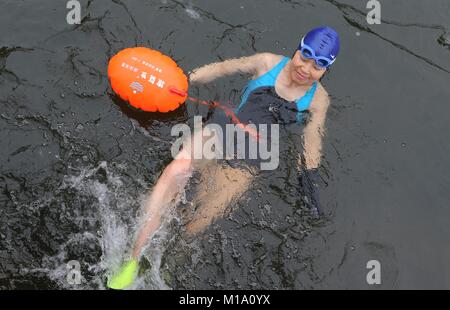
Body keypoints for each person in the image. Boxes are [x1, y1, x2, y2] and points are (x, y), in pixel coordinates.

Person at [107, 26, 340, 289]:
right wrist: (181, 82)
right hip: (223, 128)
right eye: (304, 58)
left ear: (325, 71)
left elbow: (312, 141)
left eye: (316, 67)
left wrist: (309, 179)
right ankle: (134, 258)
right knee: (175, 171)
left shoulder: (318, 99)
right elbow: (221, 69)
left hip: (254, 154)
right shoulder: (266, 62)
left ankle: (169, 262)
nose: (306, 70)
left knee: (203, 218)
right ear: (297, 50)